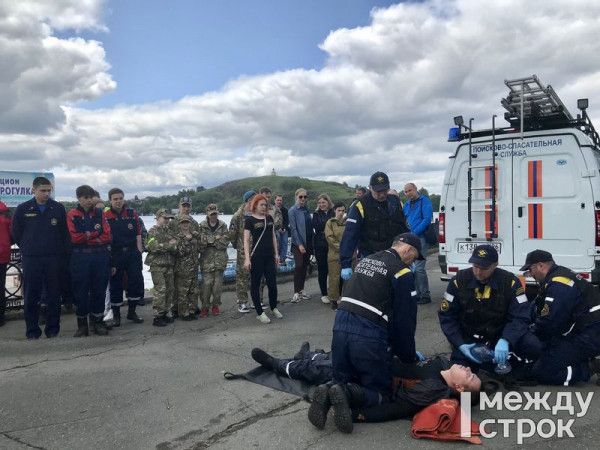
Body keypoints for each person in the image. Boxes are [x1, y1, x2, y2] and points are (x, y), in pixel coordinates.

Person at [330, 233, 425, 431]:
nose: (413, 262)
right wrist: (407, 355)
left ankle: (329, 393)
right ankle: (348, 402)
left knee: (344, 378)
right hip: (367, 335)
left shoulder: (368, 259)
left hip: (339, 327)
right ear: (407, 250)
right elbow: (404, 321)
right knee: (381, 393)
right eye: (414, 257)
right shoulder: (403, 273)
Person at [438, 245, 537, 371]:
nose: (478, 272)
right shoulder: (459, 281)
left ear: (495, 265)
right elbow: (447, 316)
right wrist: (460, 343)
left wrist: (506, 339)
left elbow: (520, 315)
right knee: (459, 377)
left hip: (498, 336)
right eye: (475, 266)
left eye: (484, 268)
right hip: (468, 339)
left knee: (533, 346)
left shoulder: (510, 282)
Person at [519, 250, 600, 385]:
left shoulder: (559, 283)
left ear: (541, 266)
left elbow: (550, 322)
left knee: (542, 370)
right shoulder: (556, 277)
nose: (531, 274)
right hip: (586, 330)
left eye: (531, 269)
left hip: (590, 334)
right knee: (547, 349)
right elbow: (537, 309)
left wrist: (528, 335)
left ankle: (591, 367)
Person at [12, 177, 69, 339]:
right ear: (33, 190)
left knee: (53, 295)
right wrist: (28, 247)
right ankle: (32, 331)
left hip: (53, 258)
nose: (46, 194)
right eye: (43, 190)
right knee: (31, 295)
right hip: (32, 258)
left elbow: (64, 234)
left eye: (48, 191)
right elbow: (17, 233)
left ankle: (52, 330)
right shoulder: (23, 209)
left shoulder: (57, 208)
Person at [339, 172, 409, 281]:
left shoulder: (396, 203)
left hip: (393, 255)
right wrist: (345, 263)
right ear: (370, 187)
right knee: (371, 291)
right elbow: (350, 235)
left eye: (384, 191)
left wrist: (409, 255)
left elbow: (404, 230)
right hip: (370, 255)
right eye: (378, 191)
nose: (382, 195)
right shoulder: (360, 205)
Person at [67, 185, 112, 337]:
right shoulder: (72, 215)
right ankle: (82, 325)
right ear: (79, 198)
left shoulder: (100, 214)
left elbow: (106, 236)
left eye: (90, 197)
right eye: (85, 198)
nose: (88, 201)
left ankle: (97, 322)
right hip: (80, 258)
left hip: (100, 256)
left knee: (99, 290)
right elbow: (74, 238)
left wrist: (86, 237)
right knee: (81, 292)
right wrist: (94, 234)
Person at [105, 188, 144, 326]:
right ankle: (116, 316)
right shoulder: (106, 216)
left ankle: (131, 312)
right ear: (110, 200)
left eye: (120, 198)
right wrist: (110, 260)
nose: (118, 201)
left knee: (135, 282)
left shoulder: (131, 213)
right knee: (115, 285)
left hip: (132, 252)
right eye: (115, 199)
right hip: (116, 254)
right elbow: (105, 239)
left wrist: (139, 253)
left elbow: (138, 233)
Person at [243, 194, 282, 324]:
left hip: (269, 255)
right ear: (255, 205)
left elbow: (273, 237)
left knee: (272, 284)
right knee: (255, 284)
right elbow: (246, 240)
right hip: (257, 256)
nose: (264, 207)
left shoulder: (269, 218)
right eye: (261, 204)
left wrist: (276, 253)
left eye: (265, 205)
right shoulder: (249, 220)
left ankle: (273, 307)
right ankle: (260, 312)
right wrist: (247, 259)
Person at [145, 208, 177, 327]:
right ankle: (157, 316)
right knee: (161, 290)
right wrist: (169, 245)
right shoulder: (152, 231)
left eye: (168, 218)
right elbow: (153, 247)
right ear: (158, 217)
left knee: (170, 289)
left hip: (169, 264)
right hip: (157, 265)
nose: (167, 221)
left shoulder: (169, 231)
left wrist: (169, 246)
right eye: (165, 218)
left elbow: (176, 247)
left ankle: (165, 312)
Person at [169, 196, 200, 317]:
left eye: (188, 206)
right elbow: (170, 241)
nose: (186, 208)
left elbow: (198, 240)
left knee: (192, 287)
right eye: (184, 206)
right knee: (179, 287)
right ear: (179, 206)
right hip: (178, 260)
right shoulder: (173, 222)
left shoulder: (194, 223)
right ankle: (176, 308)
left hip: (192, 259)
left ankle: (191, 307)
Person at [403, 183, 433, 305]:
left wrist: (414, 233)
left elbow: (427, 219)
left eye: (410, 190)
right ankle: (416, 294)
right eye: (406, 192)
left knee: (419, 268)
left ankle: (425, 295)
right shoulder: (406, 204)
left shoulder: (425, 201)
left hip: (420, 238)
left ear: (416, 189)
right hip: (410, 239)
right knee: (412, 268)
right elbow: (404, 220)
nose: (408, 193)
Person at [199, 204, 229, 317]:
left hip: (220, 261)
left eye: (215, 214)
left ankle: (215, 306)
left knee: (217, 287)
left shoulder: (223, 225)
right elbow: (201, 242)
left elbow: (225, 242)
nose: (214, 216)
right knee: (206, 286)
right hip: (206, 261)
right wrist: (215, 239)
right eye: (211, 214)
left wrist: (209, 242)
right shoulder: (202, 225)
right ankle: (205, 307)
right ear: (207, 214)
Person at [229, 190, 255, 313]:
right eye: (254, 199)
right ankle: (242, 302)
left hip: (256, 250)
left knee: (257, 276)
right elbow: (232, 236)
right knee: (242, 277)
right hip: (243, 251)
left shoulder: (255, 214)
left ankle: (257, 300)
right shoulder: (237, 216)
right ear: (249, 200)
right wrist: (239, 246)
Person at [288, 188, 313, 303]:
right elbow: (293, 229)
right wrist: (299, 244)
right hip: (298, 243)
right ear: (296, 197)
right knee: (298, 265)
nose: (303, 199)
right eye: (301, 197)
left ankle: (302, 290)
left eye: (305, 197)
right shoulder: (292, 210)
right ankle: (296, 292)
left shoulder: (306, 209)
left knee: (304, 266)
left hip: (308, 241)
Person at [174, 215, 200, 321]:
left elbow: (201, 247)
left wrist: (197, 237)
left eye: (187, 222)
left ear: (190, 224)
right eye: (183, 223)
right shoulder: (177, 237)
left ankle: (192, 310)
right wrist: (185, 240)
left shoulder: (194, 235)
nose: (185, 225)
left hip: (193, 268)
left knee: (193, 291)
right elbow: (178, 252)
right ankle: (184, 313)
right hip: (182, 269)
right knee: (183, 292)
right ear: (179, 224)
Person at [312, 194, 334, 304]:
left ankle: (333, 292)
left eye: (323, 202)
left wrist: (325, 224)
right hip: (320, 244)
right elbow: (316, 226)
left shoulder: (333, 212)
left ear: (328, 202)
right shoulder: (316, 214)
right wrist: (329, 223)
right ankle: (324, 293)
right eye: (319, 203)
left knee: (333, 269)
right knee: (322, 270)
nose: (321, 205)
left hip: (333, 244)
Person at [324, 202, 346, 310]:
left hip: (349, 255)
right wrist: (342, 248)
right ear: (335, 211)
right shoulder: (330, 223)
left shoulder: (348, 222)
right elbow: (330, 238)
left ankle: (347, 299)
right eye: (339, 210)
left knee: (349, 278)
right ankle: (334, 300)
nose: (341, 213)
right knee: (334, 277)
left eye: (343, 210)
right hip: (335, 254)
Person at [0, 198, 13, 327]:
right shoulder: (5, 212)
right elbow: (12, 233)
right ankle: (0, 318)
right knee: (0, 287)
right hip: (2, 253)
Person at [274, 194, 289, 265]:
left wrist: (284, 228)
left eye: (280, 200)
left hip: (284, 228)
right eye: (278, 200)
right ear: (275, 200)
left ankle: (282, 259)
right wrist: (278, 228)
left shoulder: (285, 210)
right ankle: (276, 257)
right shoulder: (272, 209)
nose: (279, 201)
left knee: (285, 242)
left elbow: (287, 221)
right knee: (278, 239)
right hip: (275, 229)